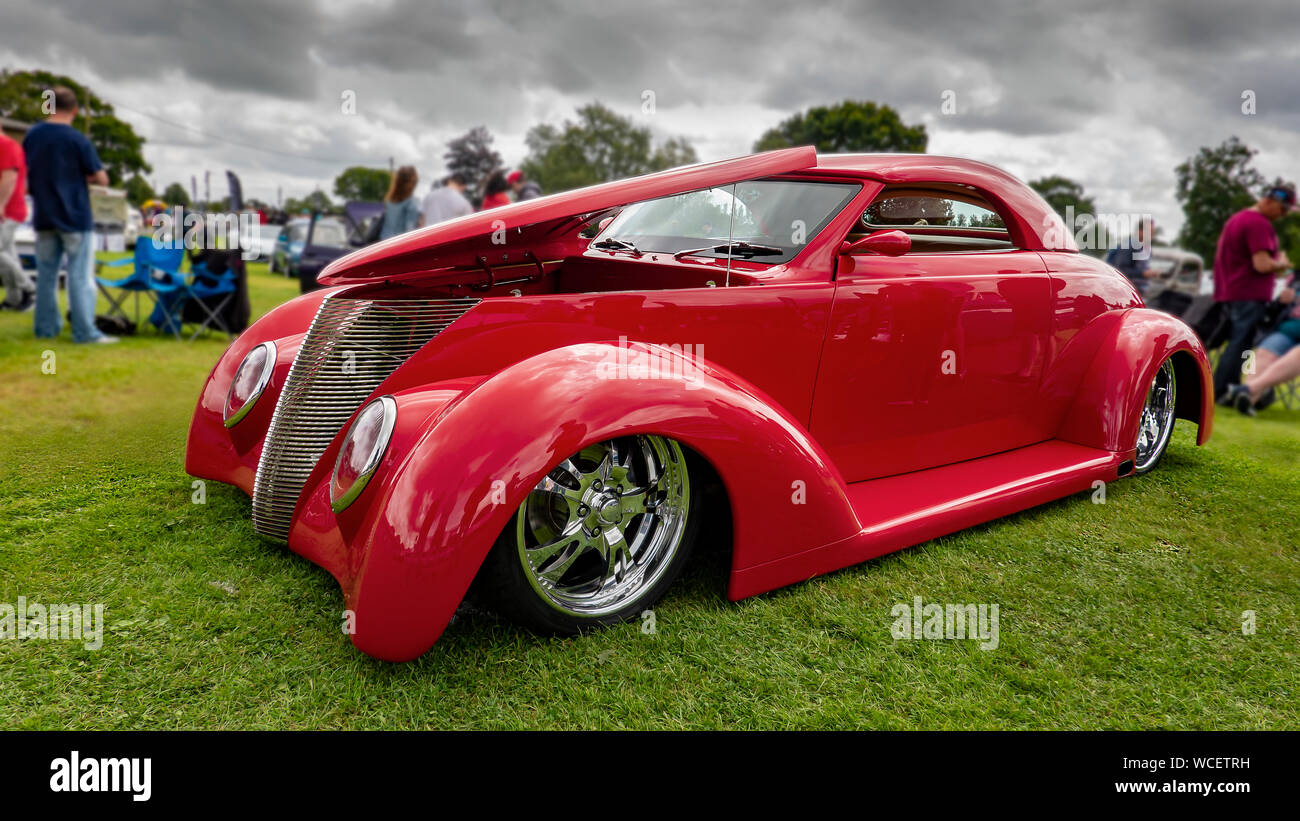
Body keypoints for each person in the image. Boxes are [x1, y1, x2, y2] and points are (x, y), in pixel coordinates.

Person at [24, 86, 115, 343]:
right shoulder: (77, 140)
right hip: (75, 215)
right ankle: (85, 331)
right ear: (75, 110)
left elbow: (27, 171)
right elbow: (101, 178)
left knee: (46, 276)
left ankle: (45, 328)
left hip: (44, 214)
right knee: (79, 275)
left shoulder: (33, 136)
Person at [1212, 180, 1295, 400]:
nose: (1284, 215)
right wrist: (1282, 263)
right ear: (1270, 201)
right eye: (1283, 209)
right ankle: (1223, 391)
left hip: (1233, 291)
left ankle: (1223, 388)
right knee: (1242, 344)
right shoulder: (1259, 224)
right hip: (1249, 294)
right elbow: (1261, 264)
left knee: (1237, 343)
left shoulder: (1237, 219)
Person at [1230, 273, 1300, 415]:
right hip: (1288, 329)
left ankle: (1249, 389)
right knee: (1264, 353)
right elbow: (1275, 306)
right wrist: (1281, 300)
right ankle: (1249, 399)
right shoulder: (1295, 278)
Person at [0, 129, 34, 311]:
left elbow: (9, 178)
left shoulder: (6, 146)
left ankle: (29, 288)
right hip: (7, 209)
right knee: (7, 254)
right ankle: (14, 299)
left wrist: (0, 204)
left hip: (9, 210)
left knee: (1, 253)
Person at [1105, 216, 1154, 295]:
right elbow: (1120, 270)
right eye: (1149, 232)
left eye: (1152, 232)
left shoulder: (1145, 248)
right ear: (1140, 231)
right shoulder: (1128, 246)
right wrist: (1143, 273)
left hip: (1139, 291)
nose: (1152, 235)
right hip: (1127, 292)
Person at [379, 165, 420, 240]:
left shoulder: (389, 200)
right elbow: (410, 231)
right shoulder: (412, 203)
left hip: (383, 242)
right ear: (414, 182)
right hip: (400, 245)